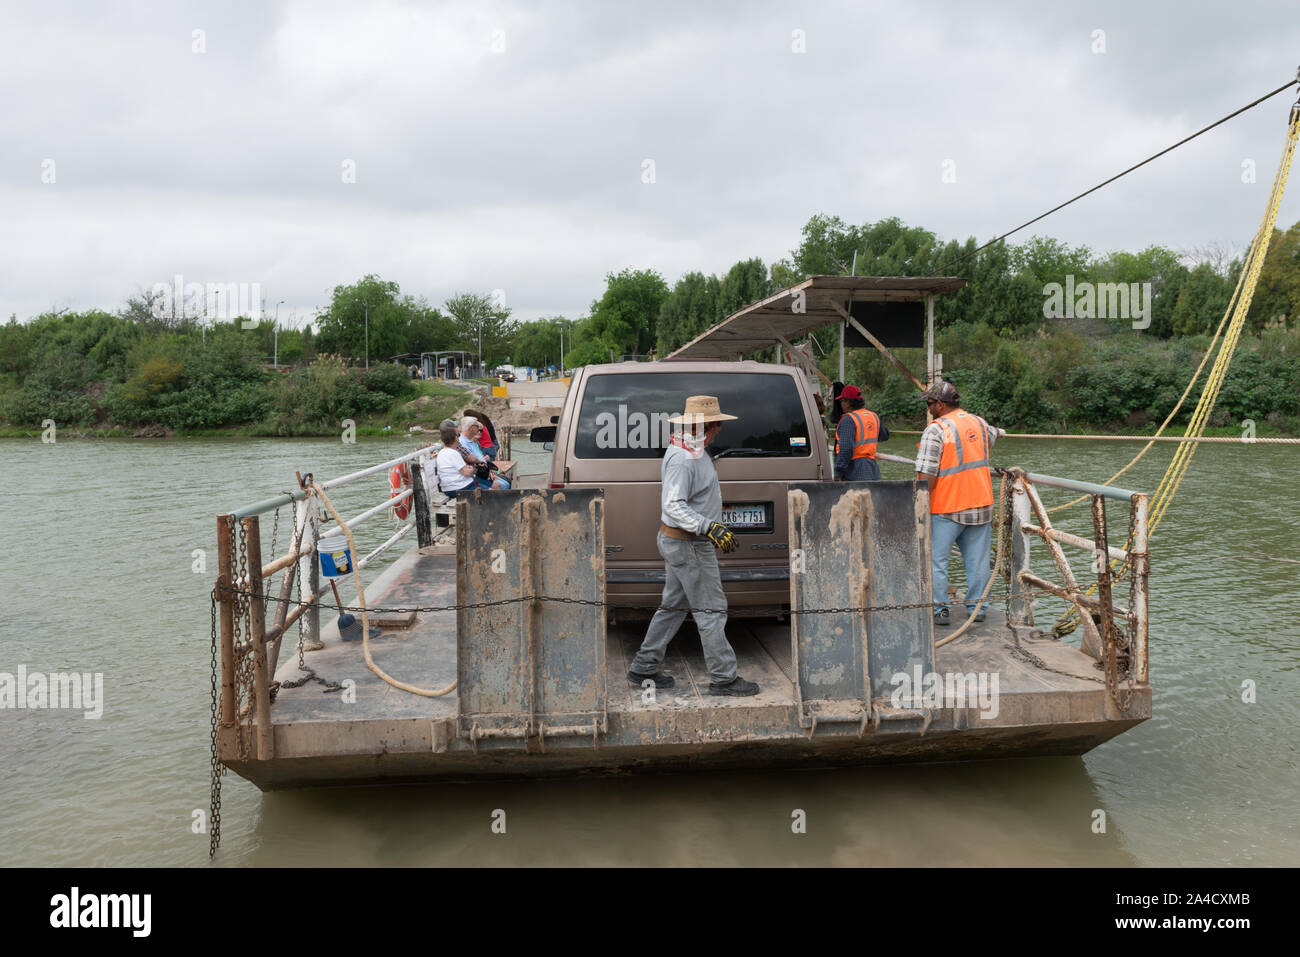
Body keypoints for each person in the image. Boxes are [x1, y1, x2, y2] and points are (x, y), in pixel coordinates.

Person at [627, 395, 759, 697]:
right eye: (716, 425)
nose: (719, 430)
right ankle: (723, 678)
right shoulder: (684, 458)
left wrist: (707, 526)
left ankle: (644, 666)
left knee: (674, 606)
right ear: (705, 427)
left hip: (683, 542)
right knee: (711, 609)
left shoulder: (691, 449)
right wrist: (708, 527)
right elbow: (673, 505)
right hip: (689, 545)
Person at [913, 380, 1006, 626]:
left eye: (929, 403)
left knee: (936, 561)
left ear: (940, 405)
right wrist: (1000, 432)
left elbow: (926, 475)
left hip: (947, 508)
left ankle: (940, 609)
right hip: (981, 505)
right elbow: (994, 434)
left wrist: (919, 503)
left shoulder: (936, 430)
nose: (928, 408)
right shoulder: (979, 423)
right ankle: (978, 608)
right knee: (978, 562)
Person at [833, 385, 890, 481]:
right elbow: (885, 435)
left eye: (842, 400)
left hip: (854, 472)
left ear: (848, 403)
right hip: (872, 470)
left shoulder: (848, 420)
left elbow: (846, 449)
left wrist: (838, 473)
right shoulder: (873, 416)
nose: (841, 404)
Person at [431, 427, 490, 499]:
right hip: (461, 488)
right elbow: (467, 473)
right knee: (491, 493)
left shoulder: (441, 453)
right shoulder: (453, 453)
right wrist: (471, 468)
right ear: (456, 438)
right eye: (458, 435)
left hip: (449, 489)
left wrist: (467, 468)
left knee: (488, 489)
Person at [458, 417, 509, 489]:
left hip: (482, 472)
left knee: (506, 484)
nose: (478, 429)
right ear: (471, 428)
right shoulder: (463, 442)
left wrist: (488, 470)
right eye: (477, 426)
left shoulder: (470, 442)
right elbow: (471, 461)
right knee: (502, 485)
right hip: (475, 476)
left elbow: (479, 459)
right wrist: (486, 469)